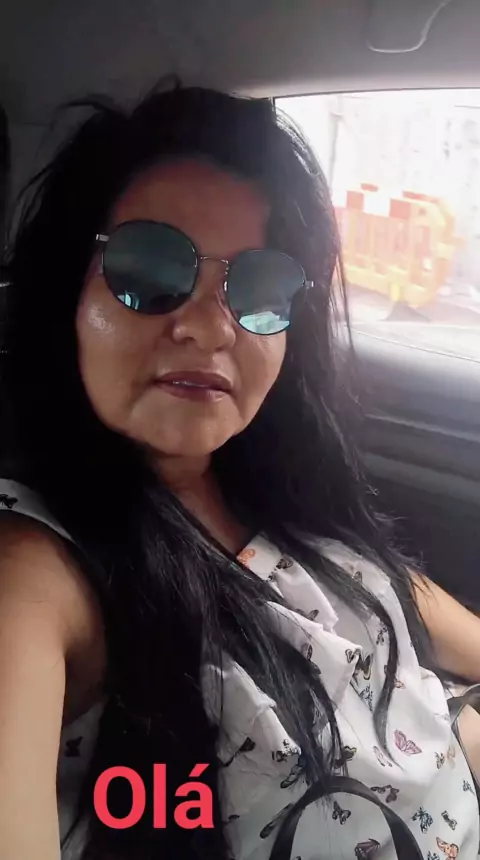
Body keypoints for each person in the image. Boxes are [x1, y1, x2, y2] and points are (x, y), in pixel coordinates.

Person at [0, 84, 479, 860]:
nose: (211, 326)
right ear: (65, 295)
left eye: (257, 287)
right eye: (149, 268)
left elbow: (392, 597)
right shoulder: (38, 571)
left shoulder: (279, 488)